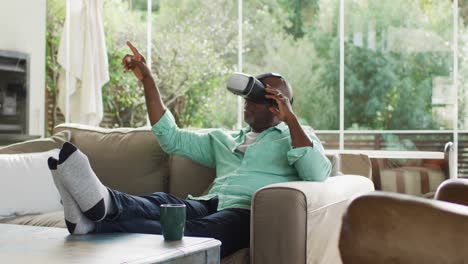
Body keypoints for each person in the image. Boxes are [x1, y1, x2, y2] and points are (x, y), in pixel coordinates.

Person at [47, 41, 331, 258]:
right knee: (164, 204)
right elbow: (171, 138)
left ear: (279, 104)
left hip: (247, 213)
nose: (248, 100)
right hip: (210, 202)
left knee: (192, 234)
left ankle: (95, 223)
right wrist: (148, 80)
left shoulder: (297, 136)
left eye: (260, 96)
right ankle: (104, 202)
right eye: (250, 93)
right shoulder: (224, 139)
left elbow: (316, 173)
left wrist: (291, 119)